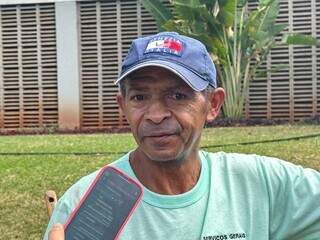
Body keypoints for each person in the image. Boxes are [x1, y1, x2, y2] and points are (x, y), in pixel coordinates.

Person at [44, 32, 320, 240]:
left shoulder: (261, 185)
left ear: (213, 104)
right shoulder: (86, 207)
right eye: (140, 96)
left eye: (177, 95)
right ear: (123, 106)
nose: (155, 114)